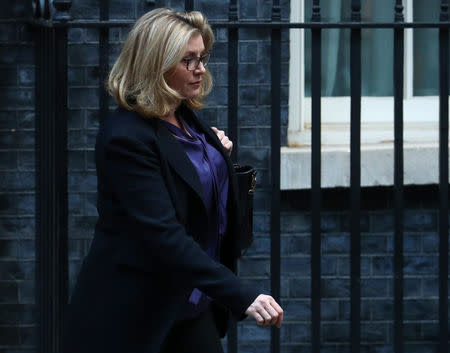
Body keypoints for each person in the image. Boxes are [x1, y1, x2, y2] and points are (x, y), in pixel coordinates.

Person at [62, 7, 283, 353]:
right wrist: (241, 294)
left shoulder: (185, 118)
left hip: (190, 304)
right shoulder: (125, 137)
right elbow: (163, 236)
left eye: (202, 57)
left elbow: (196, 194)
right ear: (156, 64)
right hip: (135, 315)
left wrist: (218, 158)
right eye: (188, 60)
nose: (201, 69)